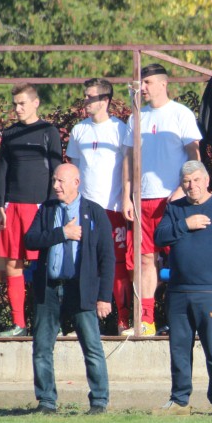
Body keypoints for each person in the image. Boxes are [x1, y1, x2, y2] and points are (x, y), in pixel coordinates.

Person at [154, 161, 212, 416]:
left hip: (211, 292)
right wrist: (186, 224)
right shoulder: (175, 209)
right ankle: (179, 400)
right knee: (179, 350)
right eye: (186, 181)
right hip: (178, 292)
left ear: (206, 180)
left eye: (196, 180)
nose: (191, 185)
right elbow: (159, 237)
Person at [24, 163, 114, 414]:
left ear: (76, 182)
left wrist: (104, 297)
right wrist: (62, 233)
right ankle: (46, 401)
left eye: (61, 181)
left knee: (92, 348)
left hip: (80, 289)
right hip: (49, 289)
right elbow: (30, 240)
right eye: (54, 180)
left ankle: (99, 401)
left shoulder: (94, 212)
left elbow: (107, 258)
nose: (56, 186)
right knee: (42, 348)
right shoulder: (46, 210)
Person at [122, 64, 203, 336]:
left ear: (163, 84)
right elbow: (128, 159)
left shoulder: (181, 114)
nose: (142, 88)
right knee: (145, 260)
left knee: (182, 259)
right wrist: (127, 196)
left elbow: (194, 155)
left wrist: (183, 188)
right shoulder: (136, 117)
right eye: (140, 83)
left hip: (173, 201)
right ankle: (146, 321)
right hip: (143, 200)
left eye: (147, 82)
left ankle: (188, 320)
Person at [0, 83, 63, 337]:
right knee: (13, 265)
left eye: (22, 103)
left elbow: (56, 171)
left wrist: (51, 207)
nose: (18, 108)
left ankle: (52, 324)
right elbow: (2, 171)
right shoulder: (10, 133)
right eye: (15, 104)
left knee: (47, 265)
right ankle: (19, 325)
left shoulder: (49, 131)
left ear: (36, 103)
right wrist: (0, 205)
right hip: (12, 207)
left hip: (40, 208)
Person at [66, 77, 132, 334]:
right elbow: (73, 170)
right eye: (84, 96)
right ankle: (86, 322)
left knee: (116, 264)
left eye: (90, 96)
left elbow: (128, 167)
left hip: (112, 207)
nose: (85, 101)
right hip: (85, 210)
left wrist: (126, 199)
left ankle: (123, 320)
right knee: (84, 264)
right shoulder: (79, 130)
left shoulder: (120, 129)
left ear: (105, 100)